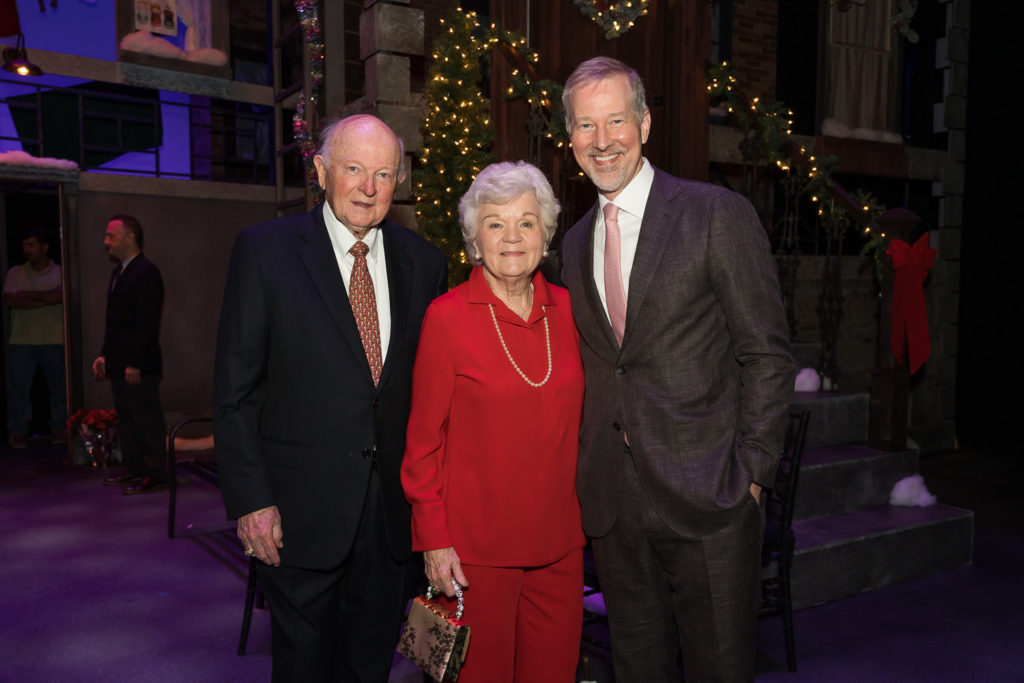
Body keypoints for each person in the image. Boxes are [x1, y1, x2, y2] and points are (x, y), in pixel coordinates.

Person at [559, 57, 796, 682]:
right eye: (586, 125)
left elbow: (767, 353)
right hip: (614, 507)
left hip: (712, 499)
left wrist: (752, 474)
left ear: (644, 122)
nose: (602, 140)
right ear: (571, 137)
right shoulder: (574, 241)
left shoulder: (715, 214)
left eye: (615, 120)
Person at [213, 114, 448, 682]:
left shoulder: (426, 264)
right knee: (302, 669)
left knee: (369, 668)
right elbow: (235, 391)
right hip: (296, 518)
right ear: (321, 171)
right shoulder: (265, 252)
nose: (369, 187)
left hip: (391, 523)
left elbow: (435, 398)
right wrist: (250, 500)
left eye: (384, 174)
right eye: (354, 169)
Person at [402, 161, 586, 683]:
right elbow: (421, 445)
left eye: (527, 222)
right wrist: (433, 539)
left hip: (561, 546)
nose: (512, 236)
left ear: (546, 234)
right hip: (473, 555)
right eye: (495, 222)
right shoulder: (448, 316)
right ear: (474, 240)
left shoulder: (571, 313)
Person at [92, 215, 167, 494]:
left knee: (145, 417)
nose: (106, 241)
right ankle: (135, 469)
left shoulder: (146, 272)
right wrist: (105, 356)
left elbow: (146, 322)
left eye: (111, 235)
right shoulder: (119, 272)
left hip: (138, 363)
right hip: (121, 361)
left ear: (129, 237)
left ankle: (156, 474)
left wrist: (136, 361)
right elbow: (115, 323)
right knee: (127, 417)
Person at [3, 229, 66, 448]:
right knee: (19, 390)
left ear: (44, 247)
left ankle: (60, 428)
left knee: (59, 389)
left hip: (54, 339)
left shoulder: (60, 271)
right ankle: (18, 432)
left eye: (31, 245)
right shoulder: (16, 272)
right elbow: (11, 301)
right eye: (25, 246)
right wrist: (48, 297)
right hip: (22, 340)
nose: (26, 250)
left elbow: (62, 296)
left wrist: (29, 294)